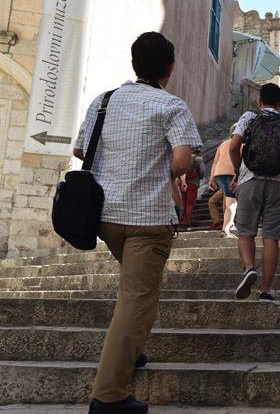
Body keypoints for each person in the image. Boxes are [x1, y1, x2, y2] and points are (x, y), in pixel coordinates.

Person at [73, 31, 201, 413]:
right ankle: (108, 396)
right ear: (170, 69)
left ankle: (131, 352)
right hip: (146, 218)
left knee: (137, 292)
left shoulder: (104, 100)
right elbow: (182, 160)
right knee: (137, 300)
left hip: (104, 217)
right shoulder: (172, 106)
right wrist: (161, 169)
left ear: (133, 64)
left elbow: (81, 148)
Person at [229, 83, 280, 301]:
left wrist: (238, 170)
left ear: (259, 101)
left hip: (249, 180)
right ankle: (265, 290)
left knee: (245, 231)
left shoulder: (248, 118)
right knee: (271, 238)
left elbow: (234, 148)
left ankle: (249, 268)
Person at [209, 127, 238, 237]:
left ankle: (230, 224)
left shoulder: (223, 144)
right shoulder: (241, 144)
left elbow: (215, 162)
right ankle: (226, 228)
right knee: (232, 202)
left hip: (219, 174)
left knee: (229, 200)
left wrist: (212, 179)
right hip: (232, 174)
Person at [180, 152, 205, 229]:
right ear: (198, 152)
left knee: (183, 202)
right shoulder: (199, 159)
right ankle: (187, 222)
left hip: (182, 183)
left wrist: (183, 181)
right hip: (193, 183)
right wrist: (199, 177)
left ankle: (180, 221)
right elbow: (202, 171)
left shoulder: (182, 158)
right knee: (190, 204)